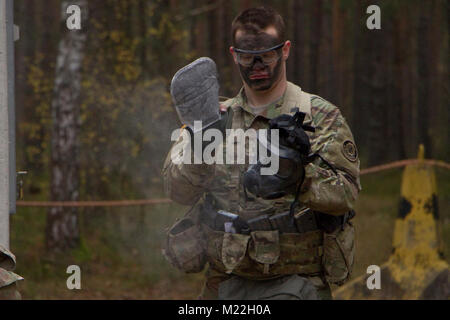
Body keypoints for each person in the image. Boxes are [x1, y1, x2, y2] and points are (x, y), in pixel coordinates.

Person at [163, 6, 360, 300]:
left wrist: (298, 176)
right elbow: (177, 191)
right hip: (225, 284)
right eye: (247, 56)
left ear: (285, 50)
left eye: (266, 54)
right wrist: (201, 145)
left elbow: (348, 193)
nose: (257, 64)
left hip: (298, 282)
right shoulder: (214, 119)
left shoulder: (319, 116)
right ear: (233, 54)